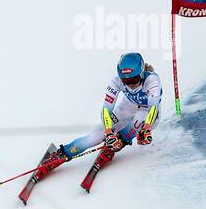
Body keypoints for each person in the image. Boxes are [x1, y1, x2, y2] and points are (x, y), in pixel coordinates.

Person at [23, 52, 161, 196]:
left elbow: (153, 108)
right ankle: (60, 155)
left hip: (148, 113)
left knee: (139, 120)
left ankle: (120, 141)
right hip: (126, 108)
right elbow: (106, 109)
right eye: (126, 81)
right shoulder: (116, 81)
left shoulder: (152, 81)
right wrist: (108, 132)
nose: (130, 84)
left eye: (134, 79)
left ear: (142, 72)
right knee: (95, 137)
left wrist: (145, 129)